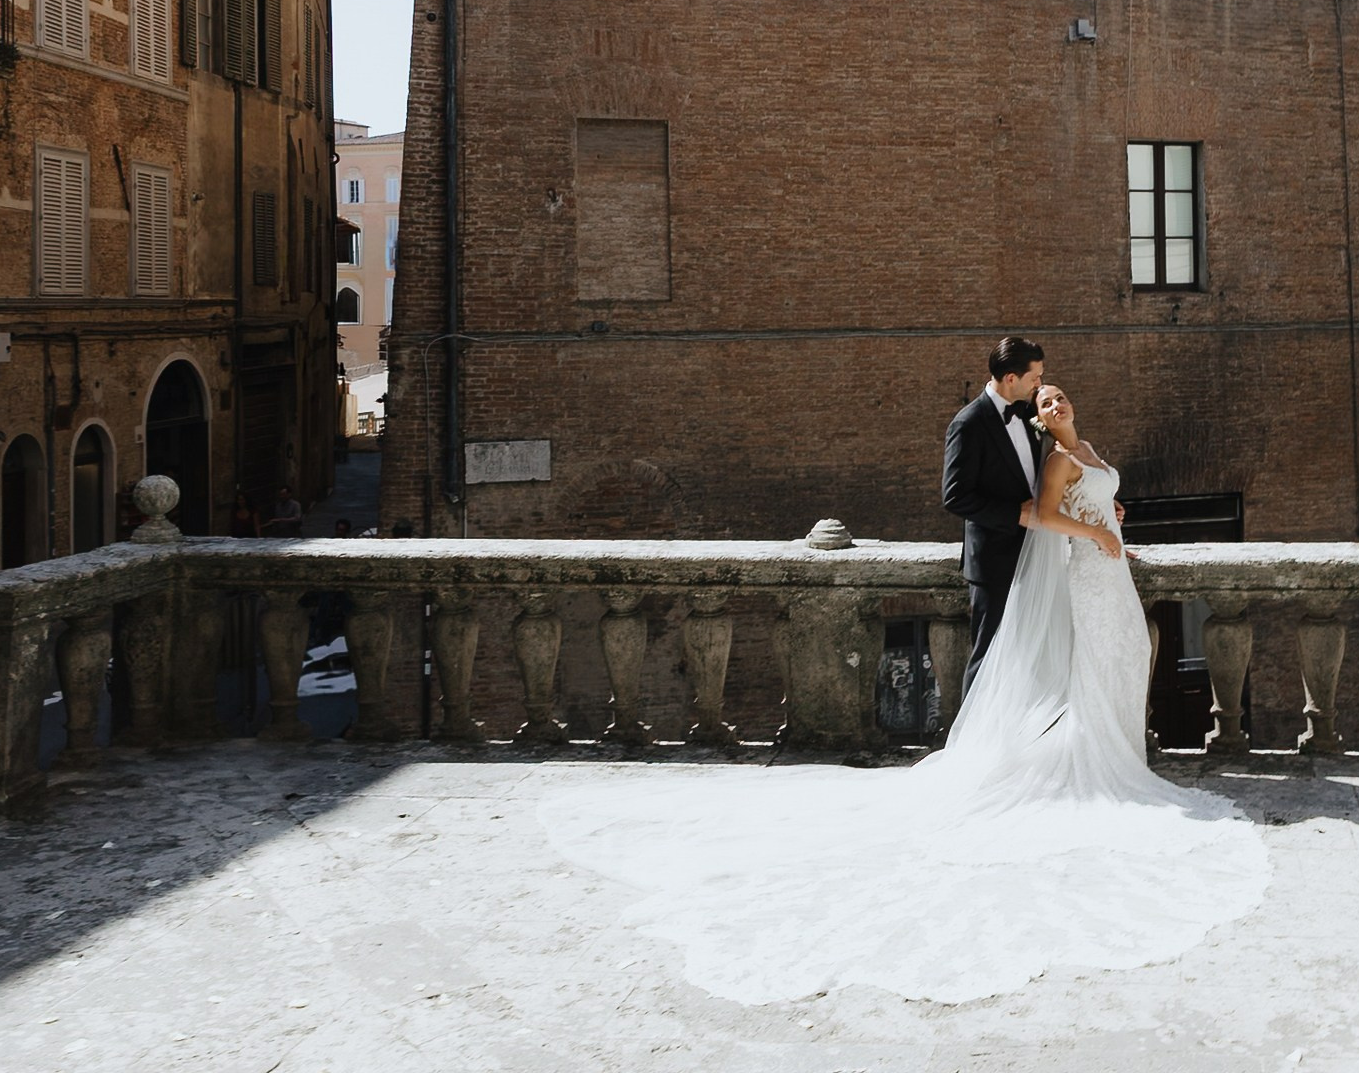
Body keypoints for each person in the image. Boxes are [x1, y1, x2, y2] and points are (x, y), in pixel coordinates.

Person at [541, 361, 1268, 1005]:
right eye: (1042, 397)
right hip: (1046, 568)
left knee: (1109, 664)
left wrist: (1108, 510)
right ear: (1016, 386)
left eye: (1059, 397)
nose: (1051, 406)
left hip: (1099, 576)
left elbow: (1087, 493)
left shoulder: (1077, 444)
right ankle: (1012, 759)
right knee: (1028, 669)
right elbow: (994, 502)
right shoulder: (996, 431)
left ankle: (1100, 754)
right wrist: (1090, 530)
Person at [939, 335, 1046, 697]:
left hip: (1035, 554)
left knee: (1031, 658)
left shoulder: (1030, 412)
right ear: (1011, 378)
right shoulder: (968, 423)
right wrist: (1014, 514)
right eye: (1035, 378)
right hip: (993, 563)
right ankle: (972, 745)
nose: (1040, 385)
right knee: (987, 658)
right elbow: (955, 496)